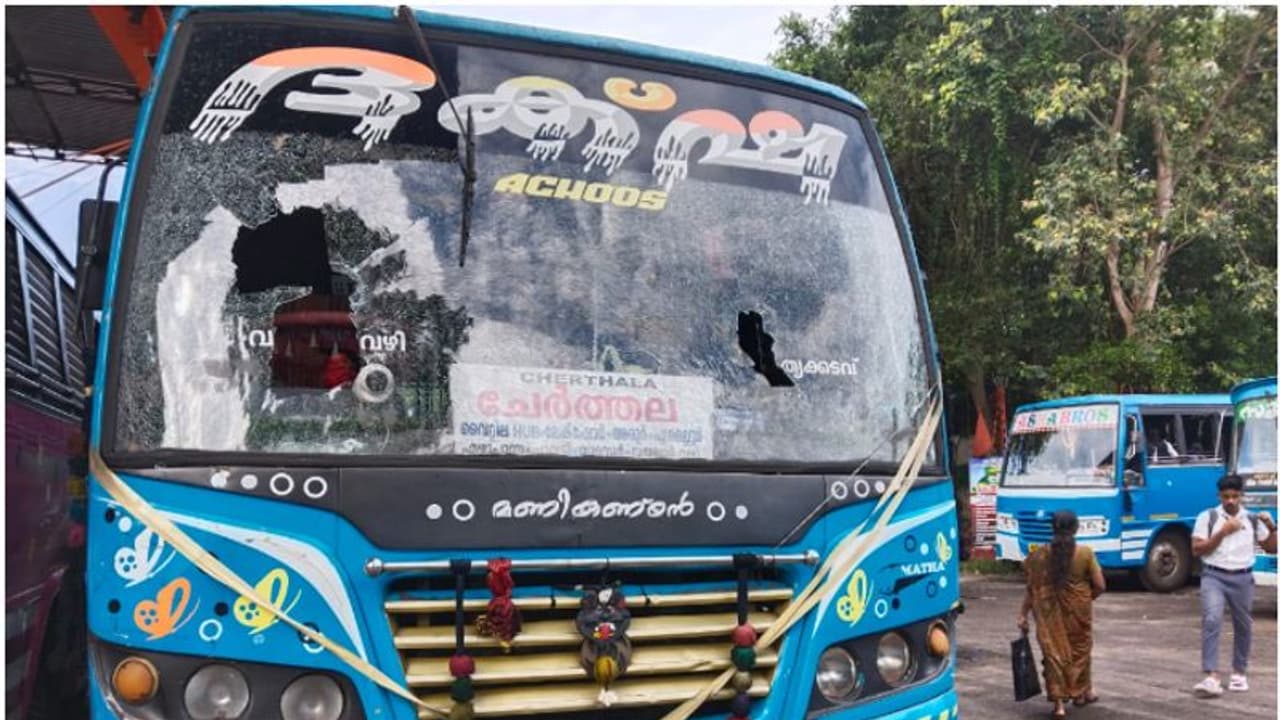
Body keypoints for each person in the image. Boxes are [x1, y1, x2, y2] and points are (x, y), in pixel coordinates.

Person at [1190, 473, 1277, 698]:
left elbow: (1272, 548)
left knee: (1243, 625)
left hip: (1242, 577)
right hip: (1214, 575)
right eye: (1226, 496)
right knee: (1212, 619)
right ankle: (1211, 675)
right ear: (1219, 496)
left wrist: (1272, 527)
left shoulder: (1251, 519)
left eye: (1235, 496)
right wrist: (1223, 532)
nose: (1230, 501)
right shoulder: (1208, 517)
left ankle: (1239, 672)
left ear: (1242, 496)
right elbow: (1197, 549)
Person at [1017, 509, 1106, 718]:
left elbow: (1032, 588)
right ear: (1076, 528)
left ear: (1052, 528)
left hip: (1048, 614)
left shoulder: (1038, 556)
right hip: (1079, 613)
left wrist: (1023, 614)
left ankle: (1059, 705)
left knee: (1053, 655)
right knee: (1080, 651)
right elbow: (1100, 585)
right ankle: (1080, 693)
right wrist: (1085, 599)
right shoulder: (1085, 553)